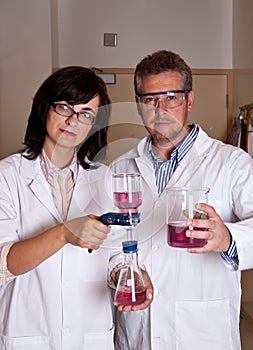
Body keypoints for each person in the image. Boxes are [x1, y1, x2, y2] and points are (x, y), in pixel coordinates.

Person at [0, 66, 153, 350]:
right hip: (28, 331)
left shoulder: (103, 179)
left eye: (86, 114)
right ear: (44, 107)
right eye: (64, 107)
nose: (73, 120)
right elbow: (3, 264)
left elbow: (116, 253)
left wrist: (127, 273)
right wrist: (63, 234)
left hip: (89, 332)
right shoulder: (7, 177)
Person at [110, 50, 253, 349]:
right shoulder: (120, 168)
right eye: (150, 100)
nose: (160, 109)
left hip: (203, 331)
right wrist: (120, 272)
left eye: (171, 97)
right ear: (138, 105)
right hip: (139, 330)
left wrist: (227, 237)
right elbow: (107, 242)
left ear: (189, 100)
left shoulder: (232, 163)